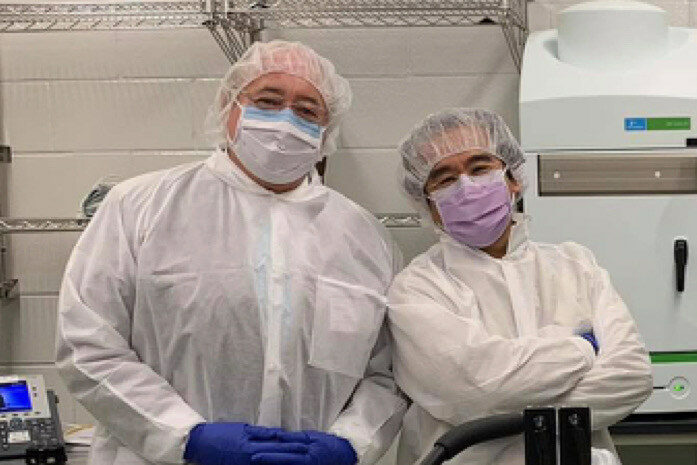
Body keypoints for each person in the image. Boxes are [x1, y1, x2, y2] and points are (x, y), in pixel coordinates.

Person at [56, 40, 407, 465]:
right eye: (267, 100)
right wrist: (184, 436)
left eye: (307, 110)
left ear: (326, 131)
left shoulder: (365, 238)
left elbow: (386, 372)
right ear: (229, 109)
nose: (285, 120)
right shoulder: (139, 207)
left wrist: (352, 444)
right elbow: (89, 344)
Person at [388, 108, 653, 465]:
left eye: (480, 168)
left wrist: (504, 402)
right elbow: (474, 391)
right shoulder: (416, 288)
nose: (466, 186)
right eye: (444, 178)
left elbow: (631, 376)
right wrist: (579, 350)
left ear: (513, 179)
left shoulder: (576, 265)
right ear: (430, 205)